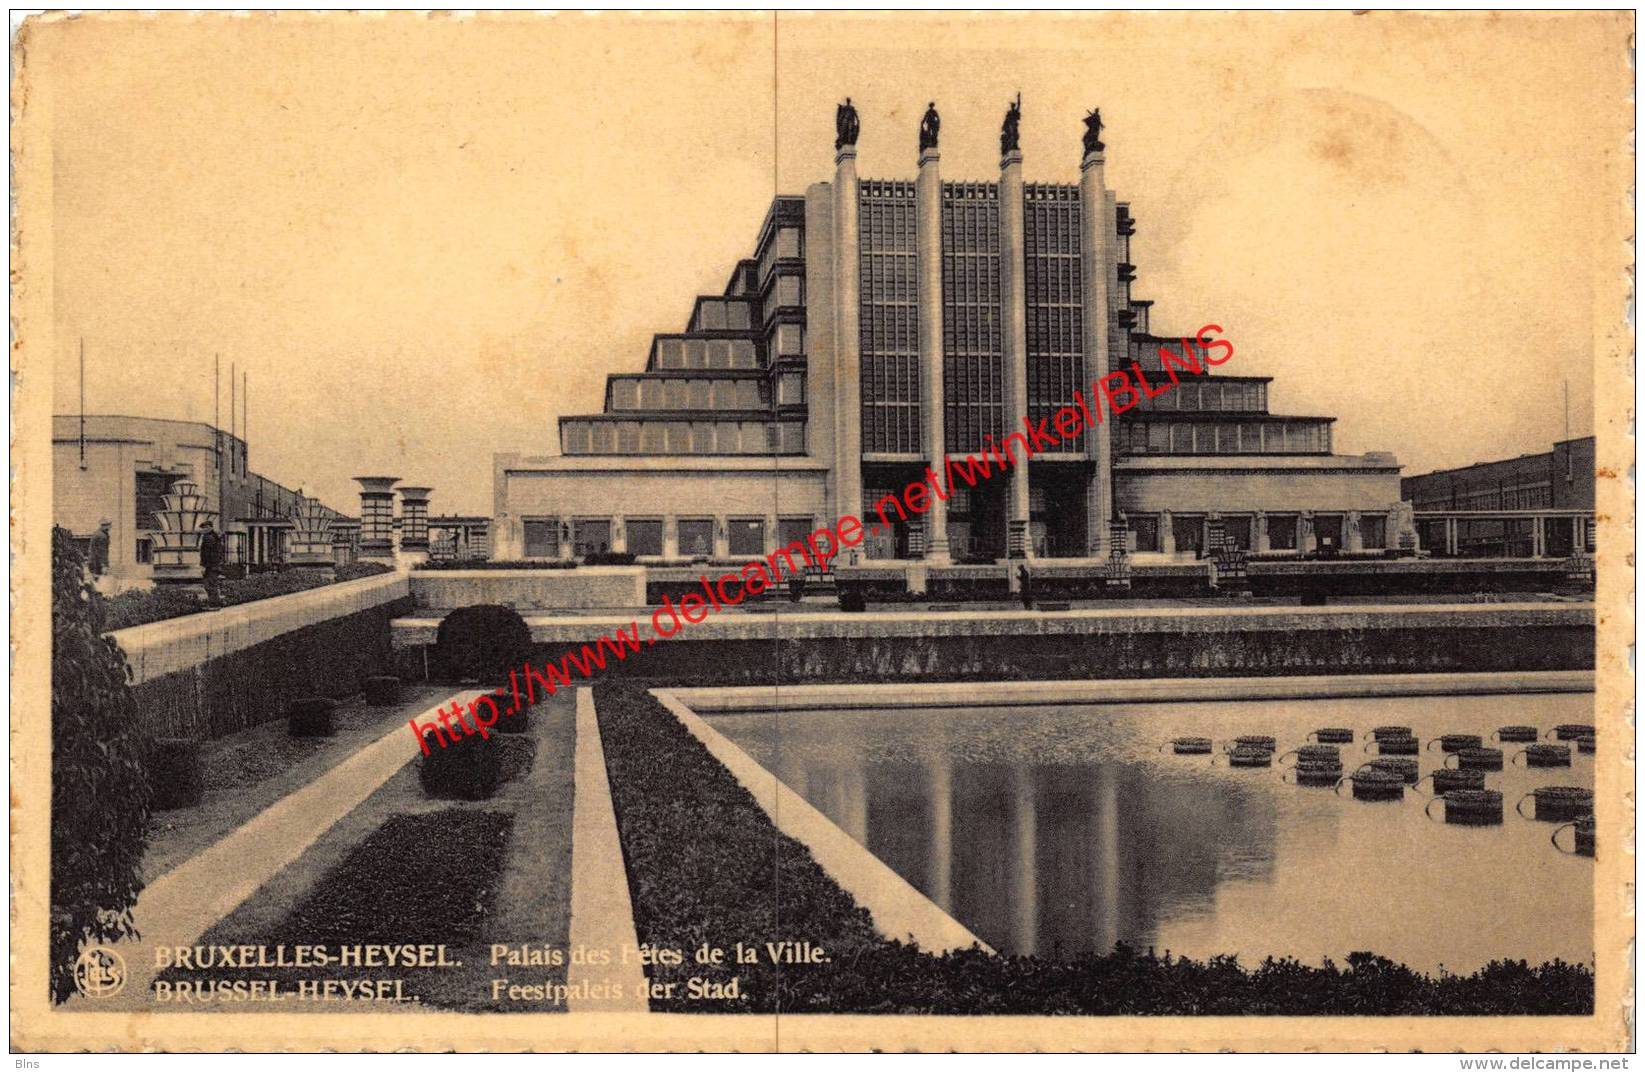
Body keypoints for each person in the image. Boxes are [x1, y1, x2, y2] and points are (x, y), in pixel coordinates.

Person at [198, 520, 224, 607]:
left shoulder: (208, 538)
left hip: (210, 566)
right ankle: (215, 603)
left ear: (209, 528)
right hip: (215, 565)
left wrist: (204, 566)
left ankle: (213, 604)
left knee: (209, 585)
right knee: (213, 584)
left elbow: (207, 553)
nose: (202, 530)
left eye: (204, 528)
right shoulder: (215, 537)